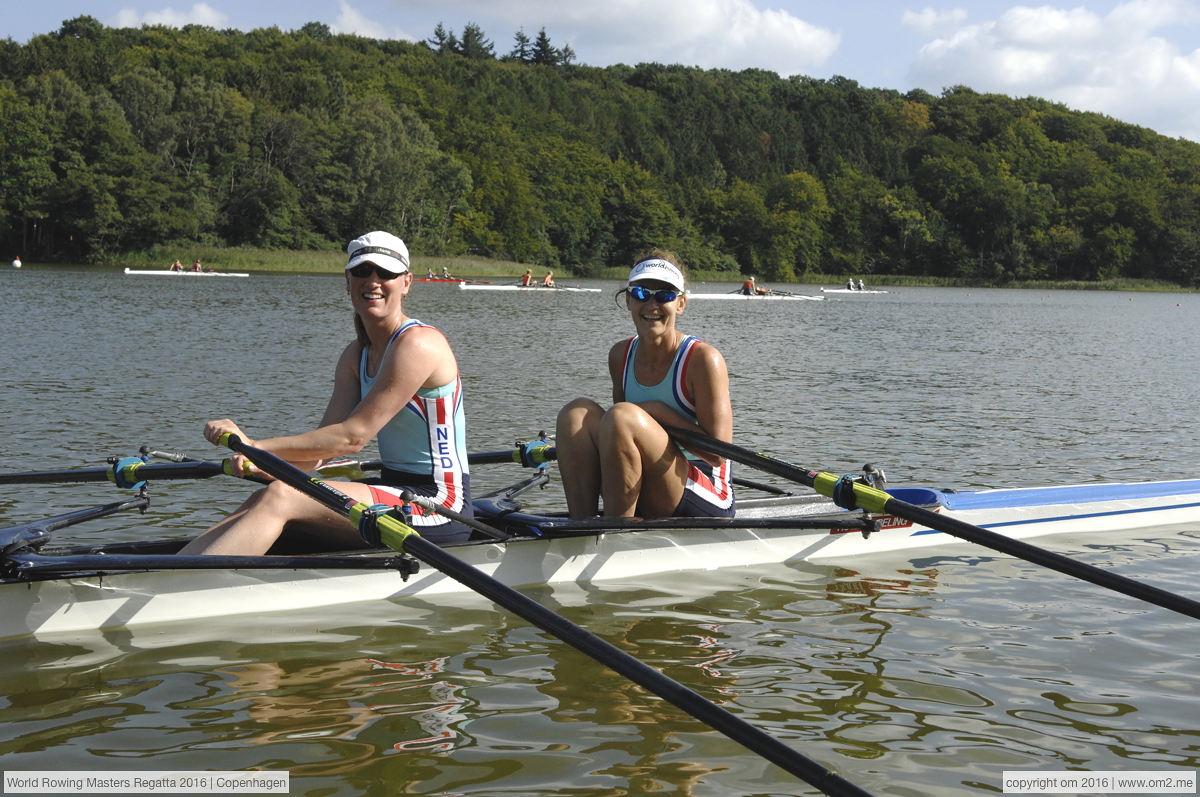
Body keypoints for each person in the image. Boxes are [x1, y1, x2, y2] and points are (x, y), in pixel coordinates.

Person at [179, 230, 473, 556]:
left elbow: (351, 439)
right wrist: (268, 465)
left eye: (386, 273)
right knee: (275, 490)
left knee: (281, 496)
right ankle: (167, 571)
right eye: (362, 272)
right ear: (348, 280)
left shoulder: (418, 344)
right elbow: (324, 450)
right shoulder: (354, 355)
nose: (373, 281)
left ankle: (178, 592)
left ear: (406, 282)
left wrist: (255, 446)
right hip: (394, 489)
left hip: (438, 504)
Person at [555, 250, 735, 520]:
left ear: (681, 304)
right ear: (628, 300)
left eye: (664, 295)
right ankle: (582, 527)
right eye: (641, 293)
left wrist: (655, 410)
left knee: (622, 416)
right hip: (650, 477)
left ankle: (615, 532)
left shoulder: (703, 359)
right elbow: (620, 440)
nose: (652, 304)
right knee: (576, 414)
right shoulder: (620, 355)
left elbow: (718, 454)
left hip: (706, 490)